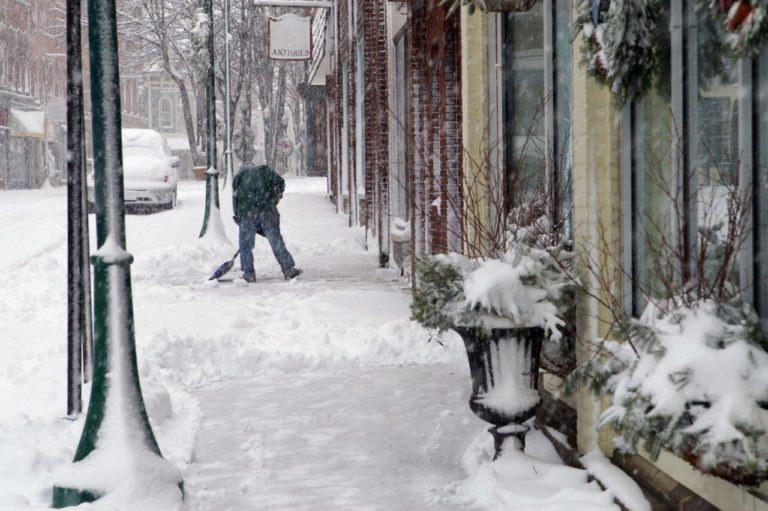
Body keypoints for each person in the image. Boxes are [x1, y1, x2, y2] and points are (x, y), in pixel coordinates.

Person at [233, 163, 302, 282]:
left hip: (247, 213)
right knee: (276, 241)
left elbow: (235, 199)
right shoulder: (264, 170)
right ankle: (288, 269)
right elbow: (280, 182)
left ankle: (248, 273)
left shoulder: (238, 177)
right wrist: (275, 197)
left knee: (245, 244)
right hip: (267, 211)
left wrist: (239, 217)